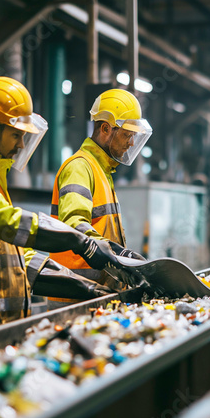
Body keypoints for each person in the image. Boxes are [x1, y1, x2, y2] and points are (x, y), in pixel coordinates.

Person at [0, 77, 124, 339]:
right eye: (16, 135)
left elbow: (20, 258)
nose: (21, 145)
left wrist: (85, 288)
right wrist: (80, 240)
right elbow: (5, 221)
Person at [49, 89, 152, 306]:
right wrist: (117, 253)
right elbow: (74, 224)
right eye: (127, 134)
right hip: (75, 297)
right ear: (106, 128)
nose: (132, 143)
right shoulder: (80, 167)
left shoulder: (101, 170)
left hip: (95, 294)